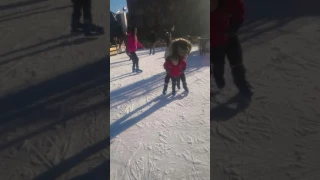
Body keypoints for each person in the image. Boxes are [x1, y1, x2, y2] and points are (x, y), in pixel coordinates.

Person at [210, 0, 253, 98]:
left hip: (229, 35)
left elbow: (239, 10)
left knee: (237, 61)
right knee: (217, 63)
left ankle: (242, 83)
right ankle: (217, 76)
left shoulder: (229, 3)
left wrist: (234, 26)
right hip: (213, 41)